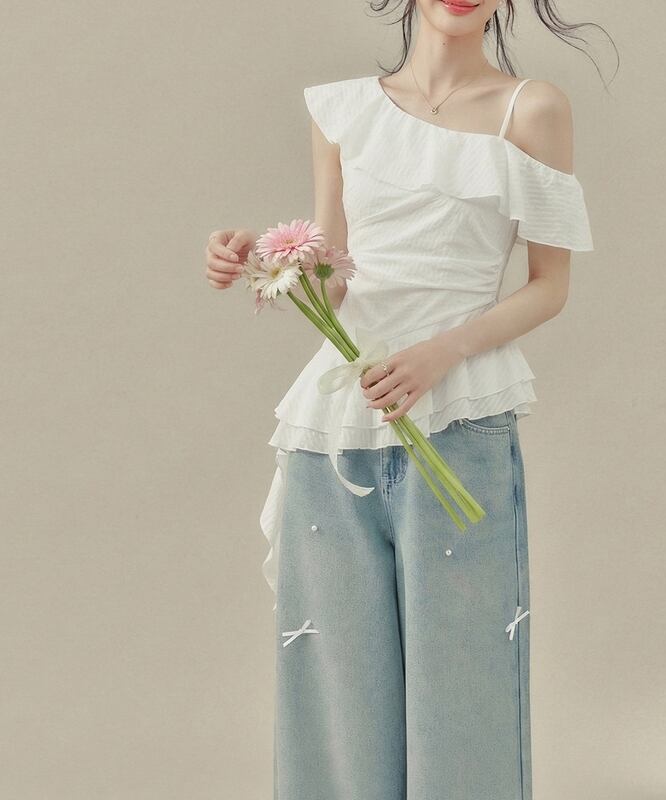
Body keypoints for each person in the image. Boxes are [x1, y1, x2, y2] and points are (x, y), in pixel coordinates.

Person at [205, 2, 598, 797]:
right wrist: (264, 261)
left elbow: (550, 286)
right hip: (334, 433)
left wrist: (443, 352)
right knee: (336, 686)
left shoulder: (533, 110)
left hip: (461, 421)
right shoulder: (343, 110)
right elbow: (335, 277)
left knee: (467, 683)